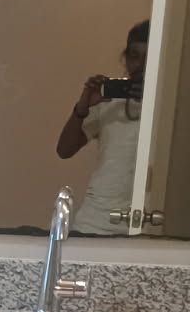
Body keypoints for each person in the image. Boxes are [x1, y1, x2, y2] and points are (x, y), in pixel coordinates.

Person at [57, 19, 149, 235]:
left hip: (144, 224)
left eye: (148, 56)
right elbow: (64, 150)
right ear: (125, 58)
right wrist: (82, 108)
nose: (141, 65)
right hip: (94, 220)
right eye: (134, 56)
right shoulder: (108, 102)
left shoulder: (171, 107)